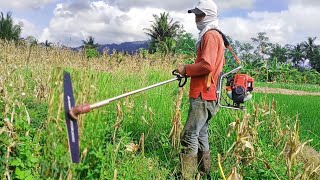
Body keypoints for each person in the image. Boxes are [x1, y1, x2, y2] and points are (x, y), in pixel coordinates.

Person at [176, 0, 225, 179]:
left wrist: (185, 69)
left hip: (203, 94)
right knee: (201, 133)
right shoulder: (213, 34)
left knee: (189, 135)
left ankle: (186, 176)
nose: (197, 18)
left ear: (210, 15)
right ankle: (204, 174)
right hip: (208, 94)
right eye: (196, 15)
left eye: (200, 15)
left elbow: (207, 66)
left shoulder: (210, 35)